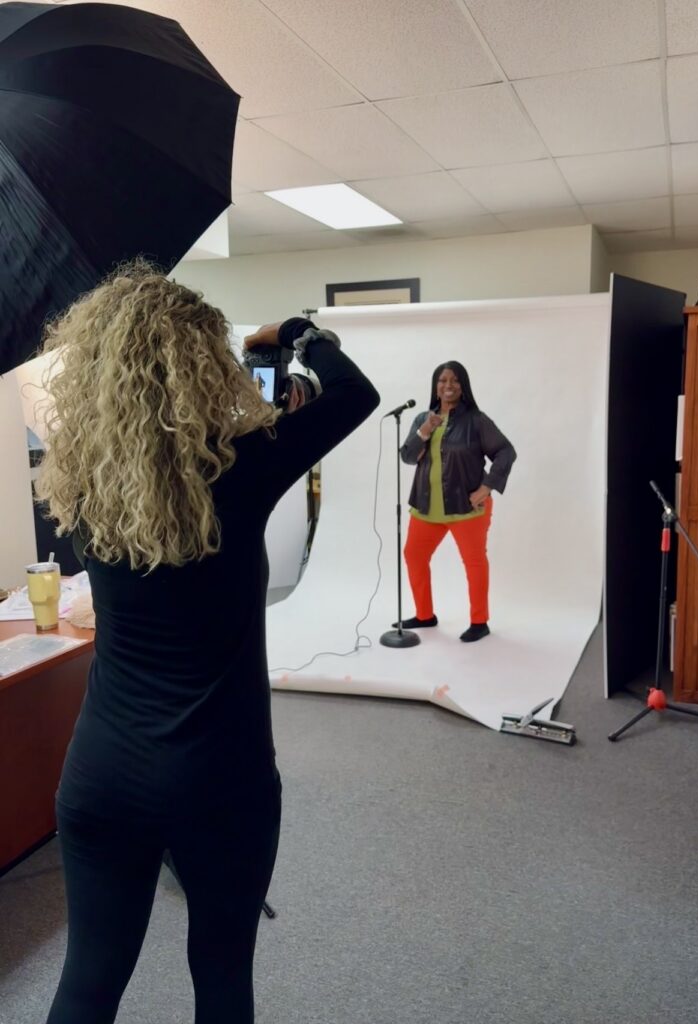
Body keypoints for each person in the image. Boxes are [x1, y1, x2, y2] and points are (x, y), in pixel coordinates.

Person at [36, 262, 379, 1024]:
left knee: (87, 983)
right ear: (201, 363)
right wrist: (297, 333)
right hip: (222, 779)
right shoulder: (241, 465)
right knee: (222, 980)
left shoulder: (85, 482)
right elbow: (355, 393)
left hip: (103, 775)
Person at [398, 361, 515, 642]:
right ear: (435, 386)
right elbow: (407, 457)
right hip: (427, 507)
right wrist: (424, 431)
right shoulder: (423, 418)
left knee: (474, 563)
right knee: (414, 555)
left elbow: (505, 451)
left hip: (467, 508)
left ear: (463, 387)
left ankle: (479, 622)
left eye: (454, 381)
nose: (448, 385)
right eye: (442, 380)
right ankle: (424, 615)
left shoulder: (476, 420)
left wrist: (487, 486)